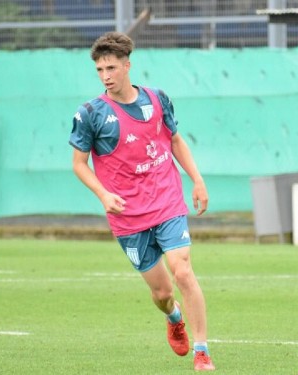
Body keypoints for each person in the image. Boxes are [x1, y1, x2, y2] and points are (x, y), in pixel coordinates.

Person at [69, 31, 215, 372]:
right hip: (128, 217)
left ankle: (202, 350)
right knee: (163, 294)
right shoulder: (90, 113)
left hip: (167, 201)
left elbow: (176, 140)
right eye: (100, 70)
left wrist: (197, 180)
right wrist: (103, 194)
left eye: (111, 68)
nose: (106, 76)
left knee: (183, 271)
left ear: (127, 65)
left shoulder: (157, 98)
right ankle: (174, 316)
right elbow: (78, 164)